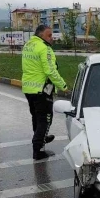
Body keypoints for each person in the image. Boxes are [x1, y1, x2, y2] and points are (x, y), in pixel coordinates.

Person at [22, 25, 70, 160]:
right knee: (45, 120)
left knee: (37, 117)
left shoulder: (28, 45)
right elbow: (50, 71)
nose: (52, 38)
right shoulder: (45, 48)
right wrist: (63, 86)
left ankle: (41, 137)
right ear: (41, 35)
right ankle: (38, 150)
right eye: (49, 35)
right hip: (42, 90)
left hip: (29, 88)